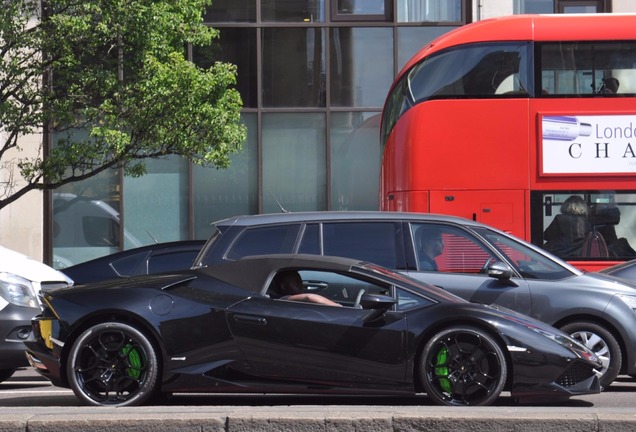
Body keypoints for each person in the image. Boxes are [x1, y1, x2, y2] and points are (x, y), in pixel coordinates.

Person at [269, 270, 342, 306]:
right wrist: (337, 306)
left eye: (301, 282)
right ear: (284, 286)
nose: (301, 285)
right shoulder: (283, 299)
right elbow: (309, 297)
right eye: (296, 282)